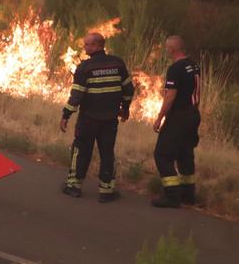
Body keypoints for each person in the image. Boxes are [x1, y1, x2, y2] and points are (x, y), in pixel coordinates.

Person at [60, 32, 134, 202]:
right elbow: (128, 90)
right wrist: (125, 108)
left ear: (96, 46)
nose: (85, 47)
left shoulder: (85, 67)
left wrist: (66, 115)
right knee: (107, 153)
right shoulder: (118, 63)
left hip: (88, 119)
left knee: (81, 150)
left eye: (87, 45)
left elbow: (77, 95)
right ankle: (106, 192)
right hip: (110, 120)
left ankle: (73, 186)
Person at [150, 35, 202, 208]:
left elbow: (170, 95)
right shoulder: (194, 65)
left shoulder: (175, 68)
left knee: (162, 154)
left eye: (167, 48)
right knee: (185, 153)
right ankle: (188, 194)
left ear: (172, 49)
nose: (166, 51)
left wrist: (159, 117)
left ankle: (172, 195)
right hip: (193, 114)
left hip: (179, 116)